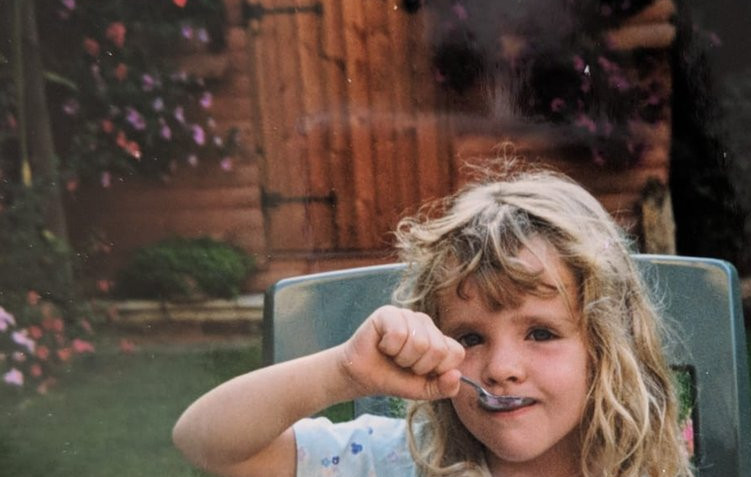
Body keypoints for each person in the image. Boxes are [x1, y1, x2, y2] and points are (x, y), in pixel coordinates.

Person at [173, 163, 692, 477]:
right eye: (469, 337)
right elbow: (204, 444)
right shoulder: (398, 461)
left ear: (604, 345)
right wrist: (344, 373)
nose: (502, 368)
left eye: (540, 332)